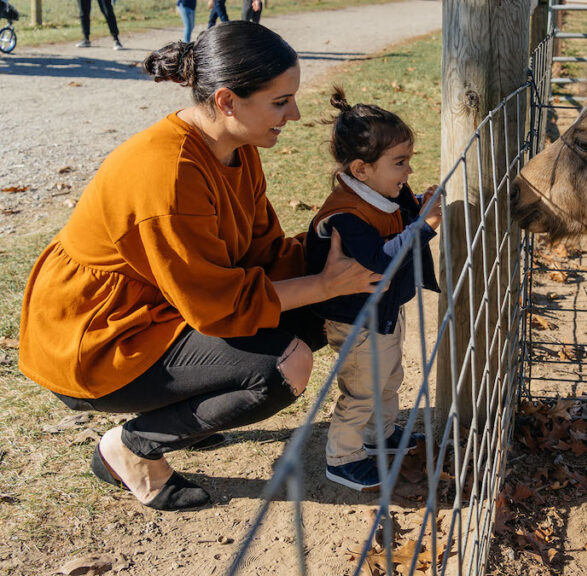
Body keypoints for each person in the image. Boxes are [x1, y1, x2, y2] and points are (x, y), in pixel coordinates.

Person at [18, 21, 381, 511]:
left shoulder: (237, 149)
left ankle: (185, 414)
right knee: (283, 367)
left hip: (167, 309)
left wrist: (352, 239)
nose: (294, 113)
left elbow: (263, 253)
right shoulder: (168, 176)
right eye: (280, 101)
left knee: (323, 308)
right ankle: (131, 450)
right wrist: (321, 283)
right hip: (99, 340)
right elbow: (220, 305)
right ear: (228, 101)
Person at [305, 88, 441, 491]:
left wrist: (418, 208)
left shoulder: (386, 193)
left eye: (409, 161)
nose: (408, 172)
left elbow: (400, 222)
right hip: (355, 322)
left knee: (387, 380)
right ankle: (343, 458)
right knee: (361, 391)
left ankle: (378, 437)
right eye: (400, 163)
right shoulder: (345, 214)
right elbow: (382, 258)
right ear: (361, 169)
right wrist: (426, 225)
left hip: (382, 311)